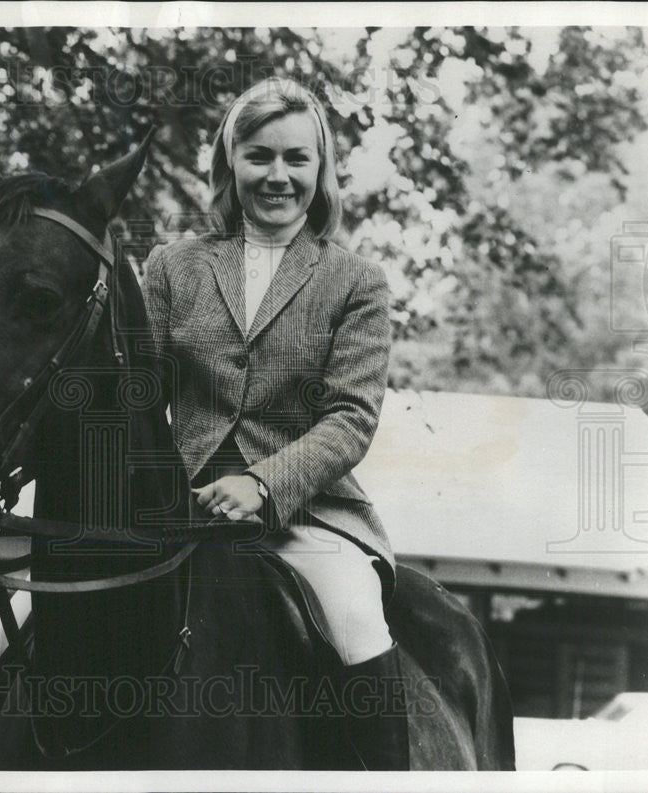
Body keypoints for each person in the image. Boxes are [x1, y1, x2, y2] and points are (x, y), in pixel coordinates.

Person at [141, 77, 408, 770]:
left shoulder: (355, 281)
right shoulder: (174, 265)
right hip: (179, 508)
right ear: (230, 164)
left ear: (321, 172)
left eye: (298, 158)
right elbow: (137, 395)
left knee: (354, 618)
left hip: (306, 511)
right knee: (11, 626)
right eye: (260, 155)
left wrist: (261, 483)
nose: (278, 175)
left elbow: (350, 416)